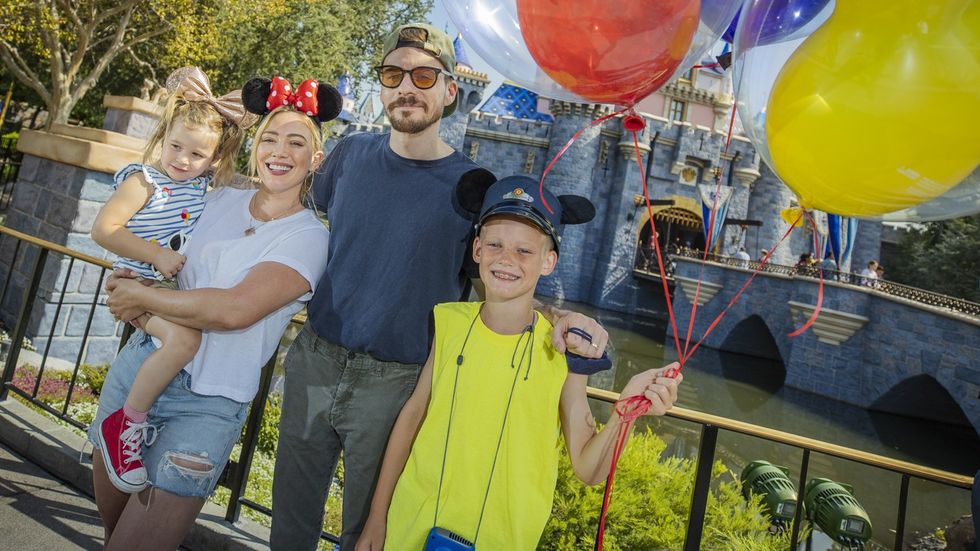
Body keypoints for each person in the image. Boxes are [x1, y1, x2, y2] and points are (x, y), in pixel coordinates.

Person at [270, 23, 610, 551]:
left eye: (424, 75)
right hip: (315, 357)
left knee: (366, 532)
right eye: (393, 74)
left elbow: (501, 277)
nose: (407, 86)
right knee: (289, 521)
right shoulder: (349, 155)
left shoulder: (470, 189)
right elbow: (285, 214)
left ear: (451, 90)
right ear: (382, 87)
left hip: (396, 382)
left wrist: (557, 320)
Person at [355, 175, 682, 550]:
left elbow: (589, 469)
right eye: (494, 244)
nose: (506, 259)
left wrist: (626, 414)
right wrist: (377, 518)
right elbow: (412, 418)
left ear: (549, 262)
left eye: (525, 251)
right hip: (410, 526)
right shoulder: (448, 322)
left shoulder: (564, 352)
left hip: (503, 539)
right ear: (477, 250)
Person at [90, 77, 342, 550]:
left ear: (316, 159)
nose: (279, 150)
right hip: (140, 370)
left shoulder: (310, 237)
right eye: (269, 137)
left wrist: (140, 301)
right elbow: (155, 208)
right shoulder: (213, 197)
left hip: (206, 405)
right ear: (253, 147)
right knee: (112, 533)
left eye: (296, 142)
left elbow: (232, 311)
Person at [90, 67, 253, 493]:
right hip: (141, 283)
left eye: (196, 155)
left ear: (215, 159)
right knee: (185, 341)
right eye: (175, 146)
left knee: (184, 338)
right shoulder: (146, 182)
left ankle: (129, 420)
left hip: (160, 291)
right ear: (163, 138)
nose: (181, 159)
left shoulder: (202, 188)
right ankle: (126, 424)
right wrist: (156, 254)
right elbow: (104, 229)